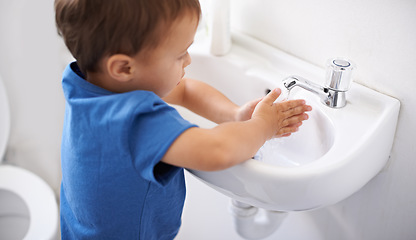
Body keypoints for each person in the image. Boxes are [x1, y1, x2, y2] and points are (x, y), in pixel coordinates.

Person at [55, 0, 311, 239]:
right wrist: (264, 126)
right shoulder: (134, 120)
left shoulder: (87, 82)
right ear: (123, 68)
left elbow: (185, 90)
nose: (188, 60)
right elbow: (218, 151)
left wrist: (234, 114)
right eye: (180, 54)